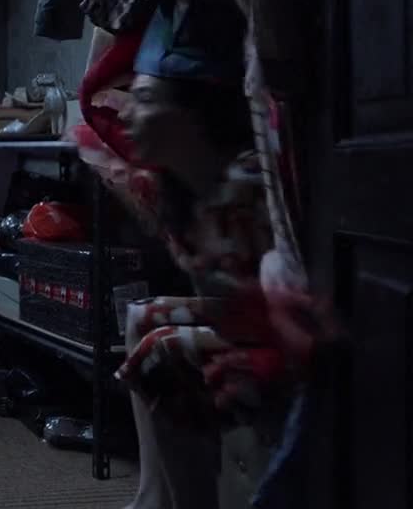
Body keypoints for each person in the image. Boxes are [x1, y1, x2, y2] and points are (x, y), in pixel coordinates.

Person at [115, 70, 330, 509]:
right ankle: (152, 495)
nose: (126, 113)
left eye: (145, 98)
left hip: (284, 334)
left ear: (192, 114)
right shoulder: (182, 186)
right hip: (251, 319)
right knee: (140, 315)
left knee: (161, 352)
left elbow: (267, 295)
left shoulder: (248, 179)